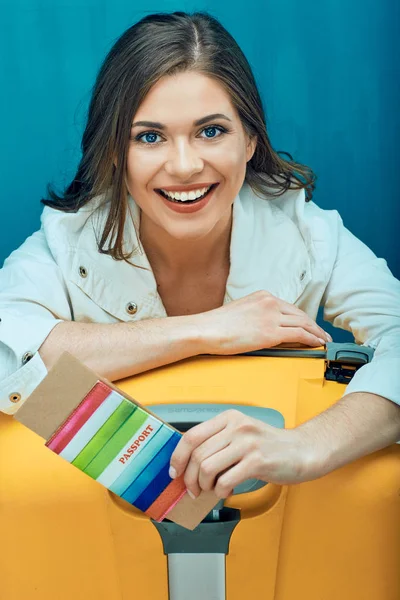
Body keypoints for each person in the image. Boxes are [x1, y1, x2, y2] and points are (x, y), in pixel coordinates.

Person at [1, 11, 399, 501]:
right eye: (149, 137)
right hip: (93, 535)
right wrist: (206, 330)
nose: (186, 166)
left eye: (211, 131)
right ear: (113, 152)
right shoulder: (65, 241)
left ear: (251, 140)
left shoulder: (310, 235)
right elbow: (5, 360)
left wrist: (306, 446)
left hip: (275, 527)